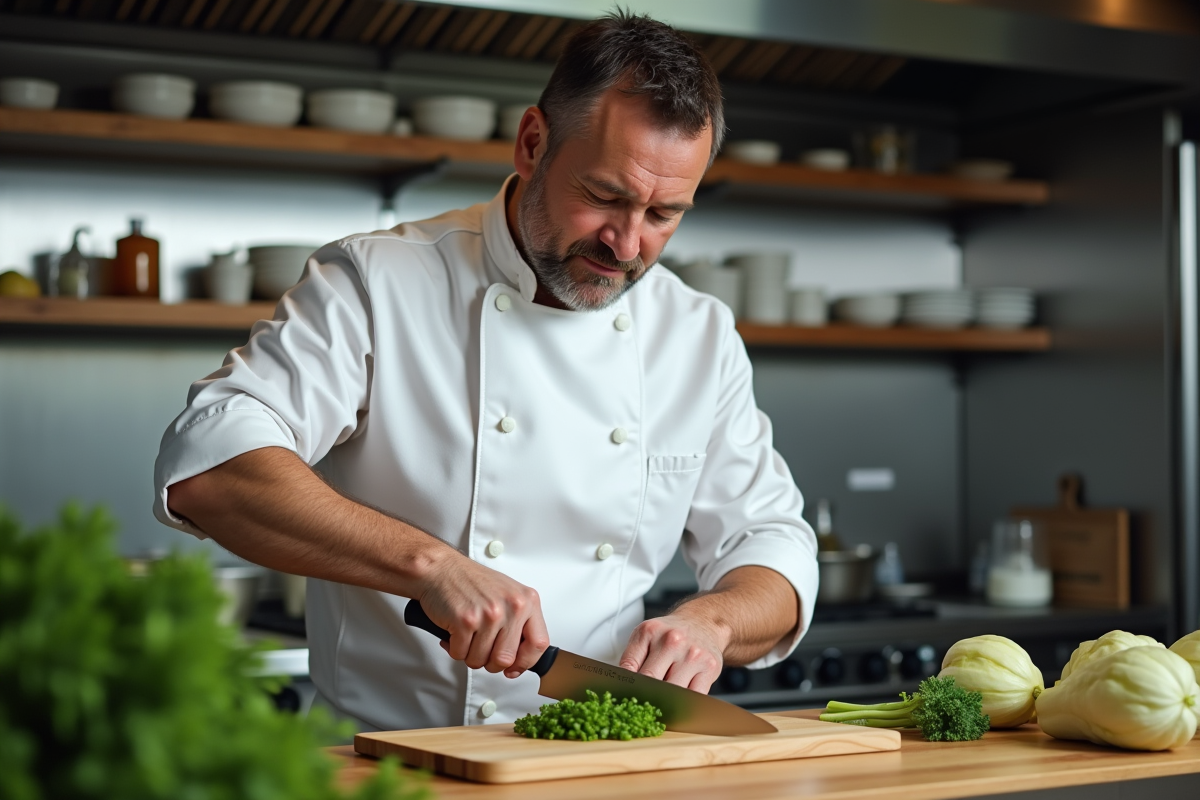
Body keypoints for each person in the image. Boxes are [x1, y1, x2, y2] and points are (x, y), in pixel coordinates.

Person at [154, 11, 818, 731]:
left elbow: (772, 545)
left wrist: (712, 624)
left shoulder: (697, 334)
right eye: (604, 196)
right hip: (391, 766)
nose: (626, 244)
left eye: (664, 213)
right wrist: (430, 567)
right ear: (533, 143)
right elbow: (212, 466)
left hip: (591, 759)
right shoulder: (378, 282)